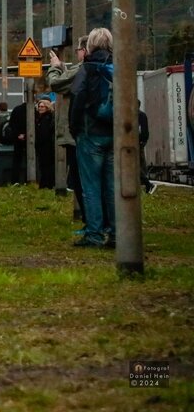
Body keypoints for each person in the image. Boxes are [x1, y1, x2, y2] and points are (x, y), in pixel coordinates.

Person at [69, 27, 116, 248]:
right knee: (112, 186)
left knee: (91, 187)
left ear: (90, 45)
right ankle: (117, 234)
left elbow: (77, 96)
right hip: (115, 134)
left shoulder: (87, 69)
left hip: (90, 133)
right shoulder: (118, 67)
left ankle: (94, 234)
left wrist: (74, 128)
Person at [48, 36, 87, 227]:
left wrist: (55, 67)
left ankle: (91, 223)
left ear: (85, 50)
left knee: (80, 180)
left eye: (78, 50)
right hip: (89, 132)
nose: (77, 53)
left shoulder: (84, 69)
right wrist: (64, 68)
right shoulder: (101, 68)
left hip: (77, 134)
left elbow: (57, 84)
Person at [34, 98, 56, 190]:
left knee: (45, 166)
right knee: (45, 165)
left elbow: (44, 134)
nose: (40, 108)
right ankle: (46, 183)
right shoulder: (43, 118)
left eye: (42, 106)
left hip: (46, 146)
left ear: (47, 108)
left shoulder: (45, 119)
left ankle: (45, 184)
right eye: (39, 106)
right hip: (45, 145)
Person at [6, 101, 29, 184]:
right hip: (29, 138)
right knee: (29, 160)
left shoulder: (17, 109)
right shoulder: (34, 110)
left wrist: (18, 135)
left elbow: (11, 124)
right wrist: (26, 135)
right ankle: (28, 180)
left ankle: (15, 180)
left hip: (18, 139)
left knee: (17, 160)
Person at [139, 101, 156, 194]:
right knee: (139, 164)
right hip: (139, 142)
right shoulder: (142, 115)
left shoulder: (139, 115)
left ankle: (148, 184)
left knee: (135, 165)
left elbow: (143, 130)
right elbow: (145, 130)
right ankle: (147, 184)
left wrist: (142, 141)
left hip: (137, 143)